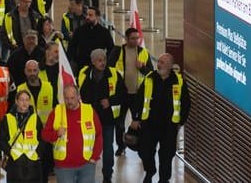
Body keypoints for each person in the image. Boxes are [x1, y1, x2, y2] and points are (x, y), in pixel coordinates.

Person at [131, 53, 190, 183]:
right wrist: (135, 118)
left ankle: (164, 179)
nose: (159, 64)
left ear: (170, 66)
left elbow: (186, 104)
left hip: (169, 127)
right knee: (146, 152)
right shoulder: (149, 78)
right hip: (149, 124)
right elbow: (139, 99)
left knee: (166, 156)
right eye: (159, 62)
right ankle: (150, 171)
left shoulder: (179, 82)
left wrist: (180, 122)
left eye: (162, 62)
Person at [78, 49, 126, 183]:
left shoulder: (114, 74)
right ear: (93, 62)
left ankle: (107, 176)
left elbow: (123, 94)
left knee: (108, 148)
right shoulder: (84, 74)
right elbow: (79, 93)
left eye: (104, 59)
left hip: (107, 119)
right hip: (89, 118)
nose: (103, 63)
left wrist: (110, 101)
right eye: (99, 60)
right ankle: (86, 175)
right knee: (87, 147)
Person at [41, 85, 103, 183]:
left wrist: (94, 157)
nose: (69, 101)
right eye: (66, 98)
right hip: (64, 167)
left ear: (78, 97)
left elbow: (98, 135)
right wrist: (56, 134)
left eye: (72, 98)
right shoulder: (56, 112)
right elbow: (44, 135)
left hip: (87, 165)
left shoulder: (89, 111)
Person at [109, 27, 154, 156]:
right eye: (132, 38)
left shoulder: (143, 53)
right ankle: (120, 145)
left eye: (137, 38)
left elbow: (151, 73)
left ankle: (140, 146)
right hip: (122, 94)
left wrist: (142, 67)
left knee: (139, 122)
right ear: (126, 39)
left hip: (137, 95)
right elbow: (110, 70)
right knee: (119, 122)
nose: (135, 41)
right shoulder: (118, 51)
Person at [0, 89, 44, 183]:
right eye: (22, 100)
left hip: (32, 163)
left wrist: (38, 153)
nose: (25, 103)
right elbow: (1, 140)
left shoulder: (35, 118)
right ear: (16, 101)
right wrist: (10, 152)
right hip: (15, 163)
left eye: (27, 100)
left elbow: (42, 138)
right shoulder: (8, 118)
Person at [67, 7, 114, 73]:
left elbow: (111, 49)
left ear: (97, 17)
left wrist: (104, 60)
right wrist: (76, 60)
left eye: (90, 15)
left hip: (99, 66)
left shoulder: (104, 32)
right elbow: (72, 47)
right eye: (87, 15)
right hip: (82, 65)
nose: (87, 17)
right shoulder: (79, 31)